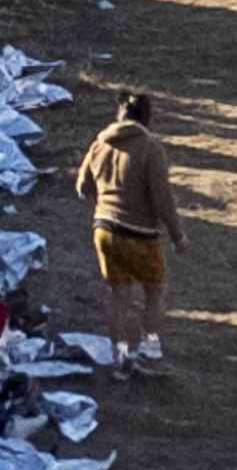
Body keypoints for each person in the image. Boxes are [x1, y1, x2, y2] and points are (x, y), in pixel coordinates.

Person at [75, 89, 177, 371]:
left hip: (104, 229)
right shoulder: (151, 150)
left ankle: (120, 352)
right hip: (140, 232)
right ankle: (151, 346)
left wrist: (101, 204)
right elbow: (162, 198)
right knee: (154, 289)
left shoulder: (100, 144)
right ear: (147, 118)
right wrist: (177, 233)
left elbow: (82, 186)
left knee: (119, 294)